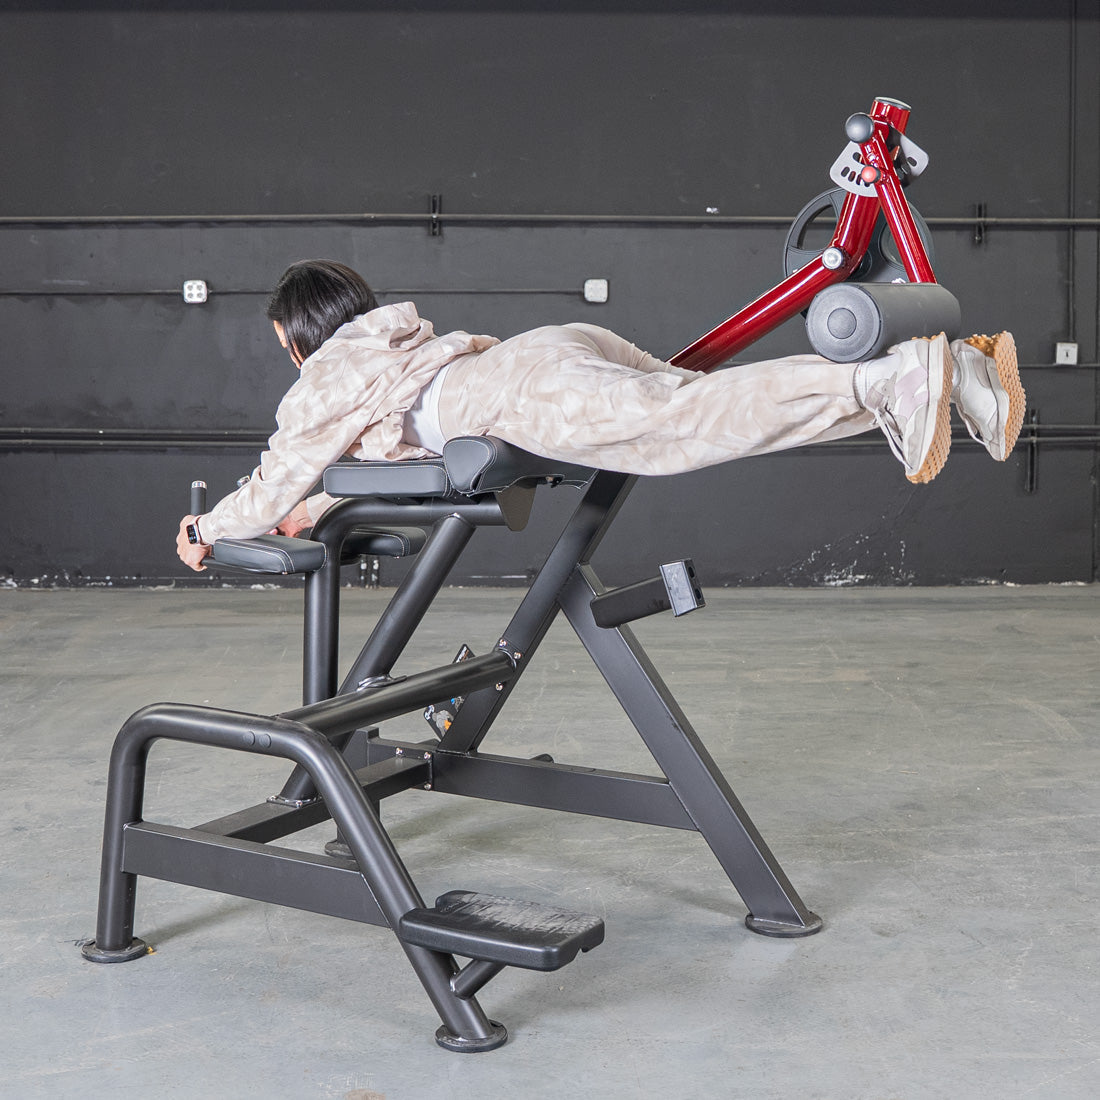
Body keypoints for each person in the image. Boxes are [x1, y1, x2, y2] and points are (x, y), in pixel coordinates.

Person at [176, 259, 1024, 571]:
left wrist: (207, 529)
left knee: (695, 425)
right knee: (715, 412)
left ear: (305, 334)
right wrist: (319, 505)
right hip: (552, 348)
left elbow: (280, 470)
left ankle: (895, 378)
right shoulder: (384, 345)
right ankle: (956, 376)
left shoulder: (326, 373)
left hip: (523, 392)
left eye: (288, 344)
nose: (291, 358)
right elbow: (365, 449)